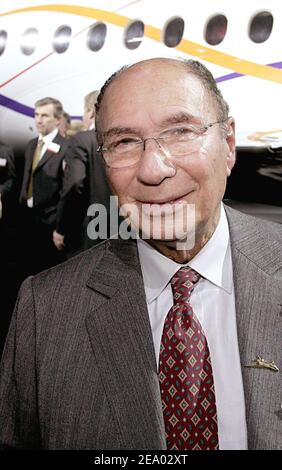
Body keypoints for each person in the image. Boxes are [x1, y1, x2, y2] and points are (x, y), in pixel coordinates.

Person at [0, 58, 281, 450]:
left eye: (181, 131)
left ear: (229, 144)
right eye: (125, 142)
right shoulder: (44, 312)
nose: (153, 169)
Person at [54, 90, 111, 254]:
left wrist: (61, 227)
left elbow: (74, 183)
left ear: (91, 112)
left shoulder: (82, 140)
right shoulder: (126, 140)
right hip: (124, 226)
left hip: (88, 231)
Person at [18, 97, 69, 274]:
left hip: (50, 222)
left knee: (47, 271)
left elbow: (66, 189)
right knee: (26, 269)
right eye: (36, 114)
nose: (39, 120)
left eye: (45, 115)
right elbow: (27, 177)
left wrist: (60, 226)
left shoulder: (65, 147)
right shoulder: (32, 145)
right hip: (27, 217)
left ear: (57, 119)